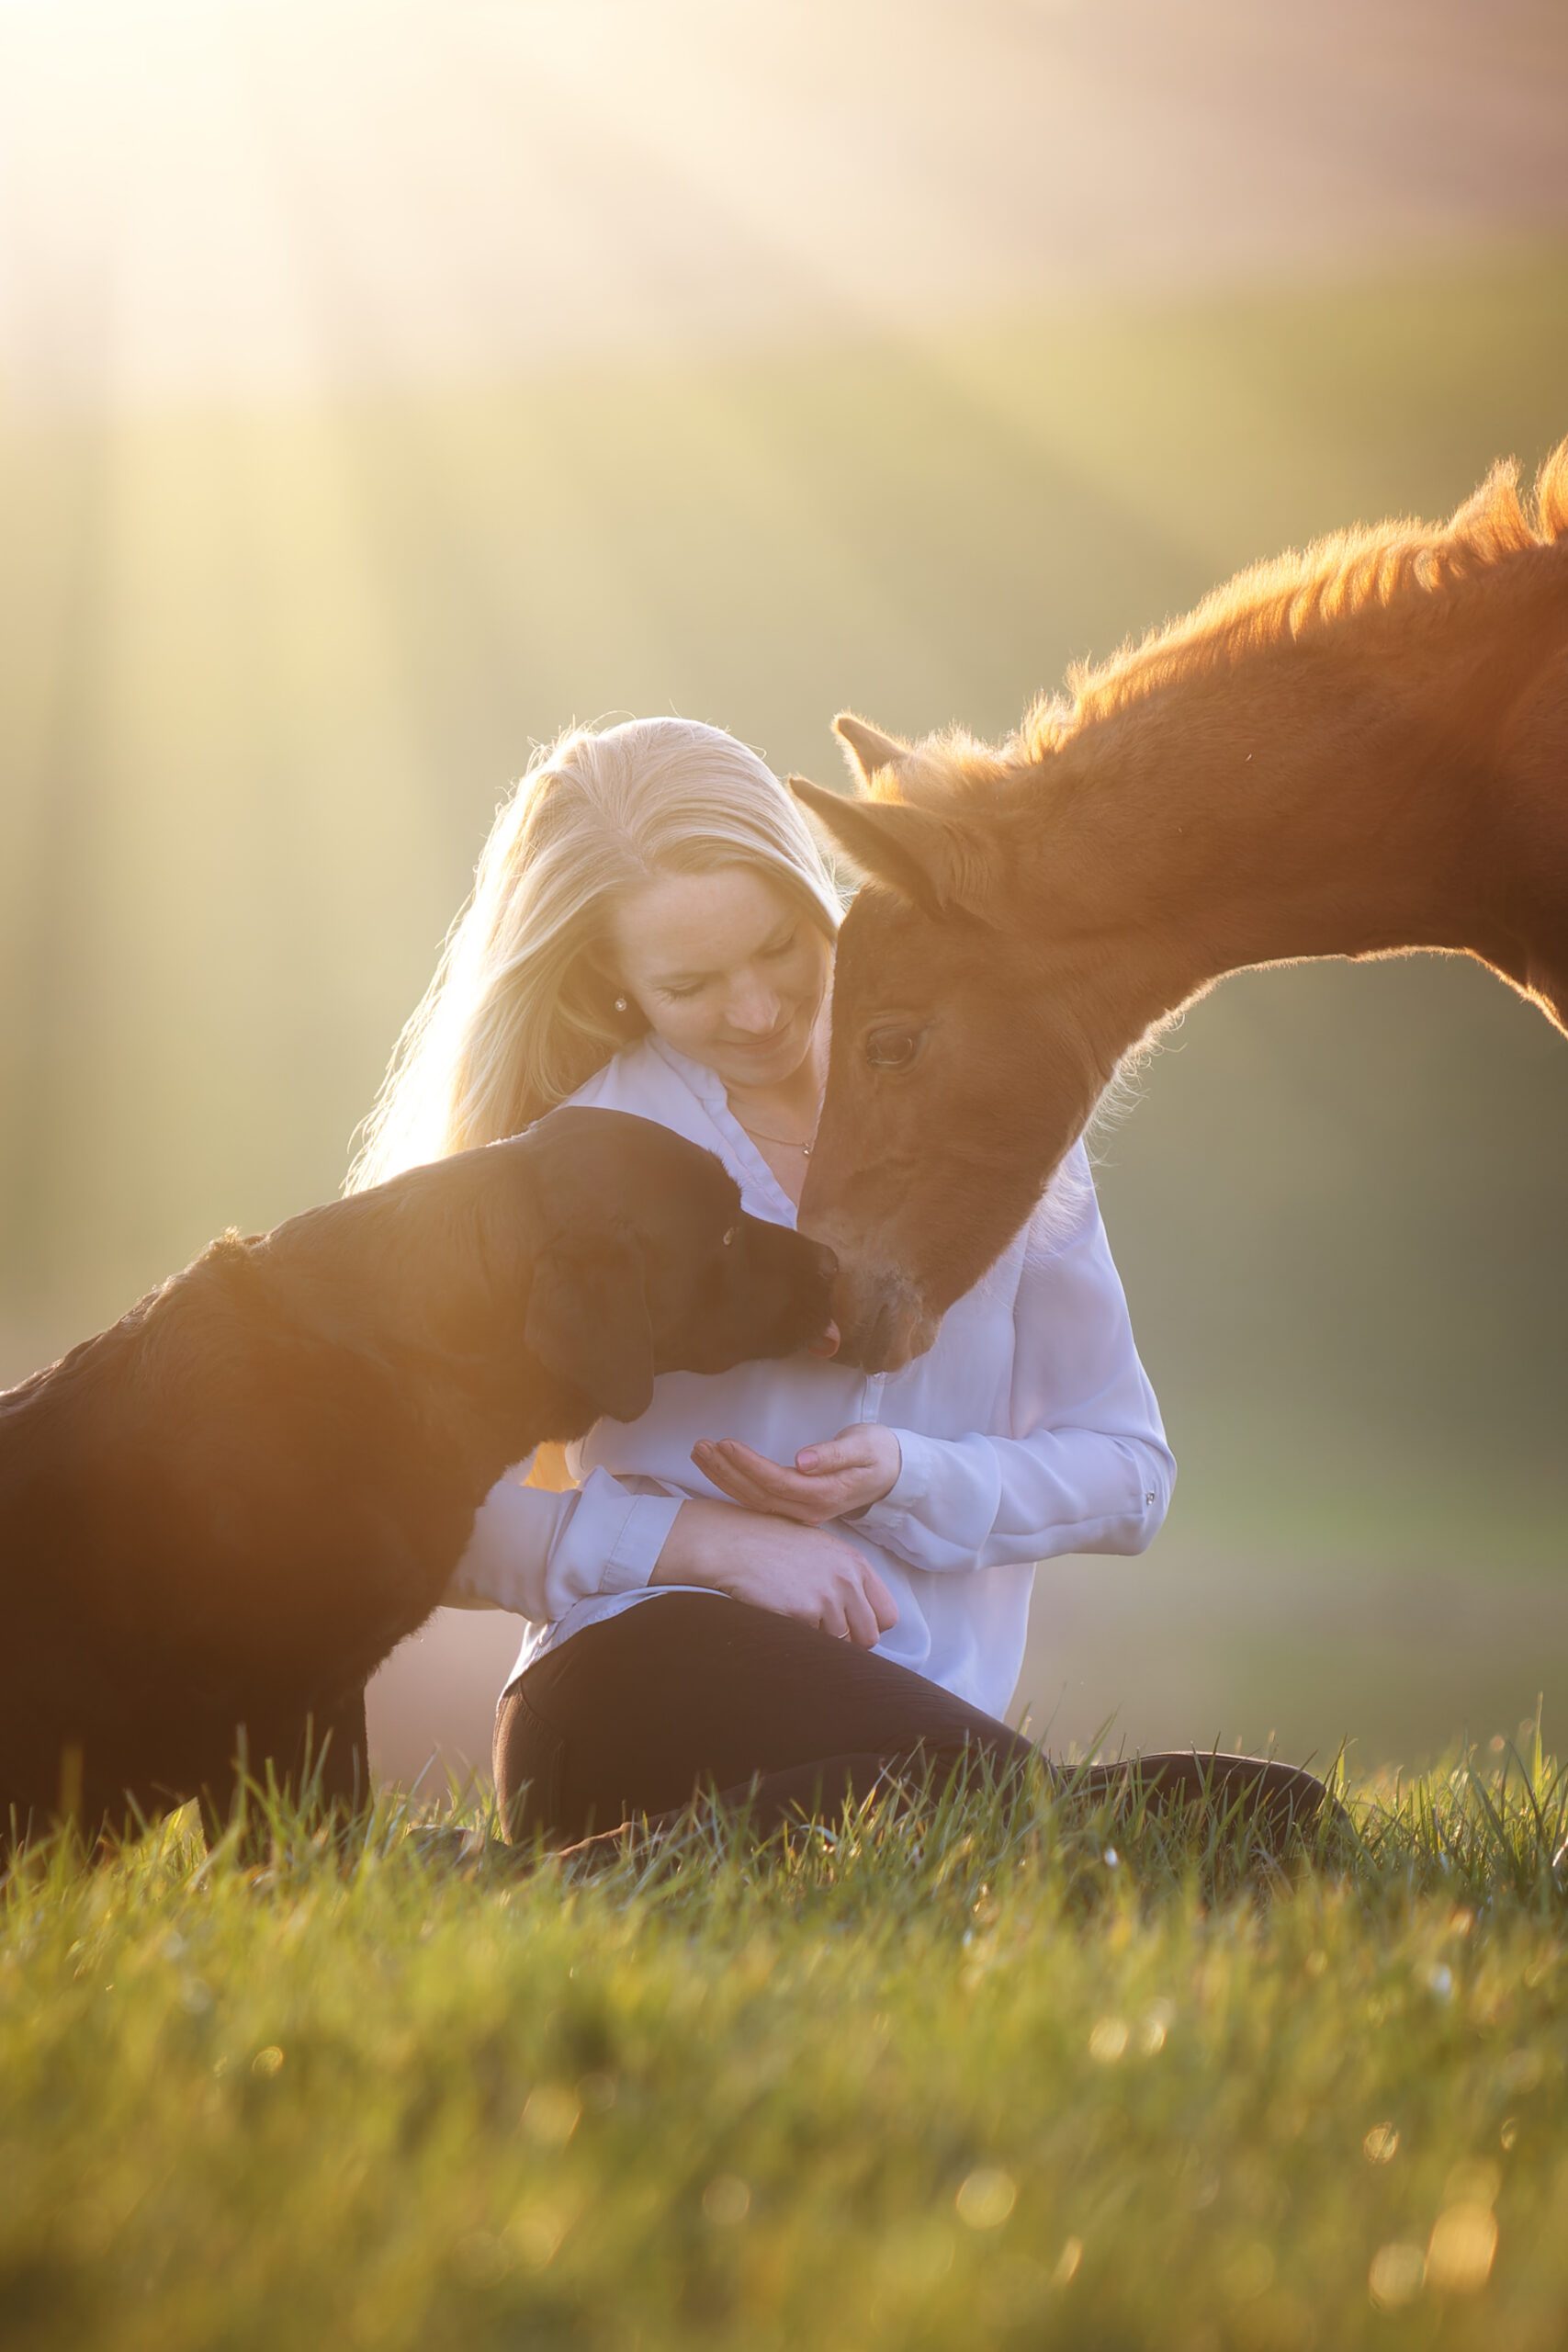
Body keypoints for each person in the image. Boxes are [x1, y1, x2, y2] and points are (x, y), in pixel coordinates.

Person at [350, 716, 1335, 1851]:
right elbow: (429, 1514)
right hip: (636, 1689)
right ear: (613, 981)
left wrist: (909, 1477)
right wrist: (708, 1547)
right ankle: (967, 1828)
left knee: (1269, 1820)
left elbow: (1131, 1476)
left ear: (819, 890)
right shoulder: (572, 1161)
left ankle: (619, 1873)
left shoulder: (988, 1114)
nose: (757, 1010)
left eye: (779, 947)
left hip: (918, 1730)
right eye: (691, 983)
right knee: (1209, 1834)